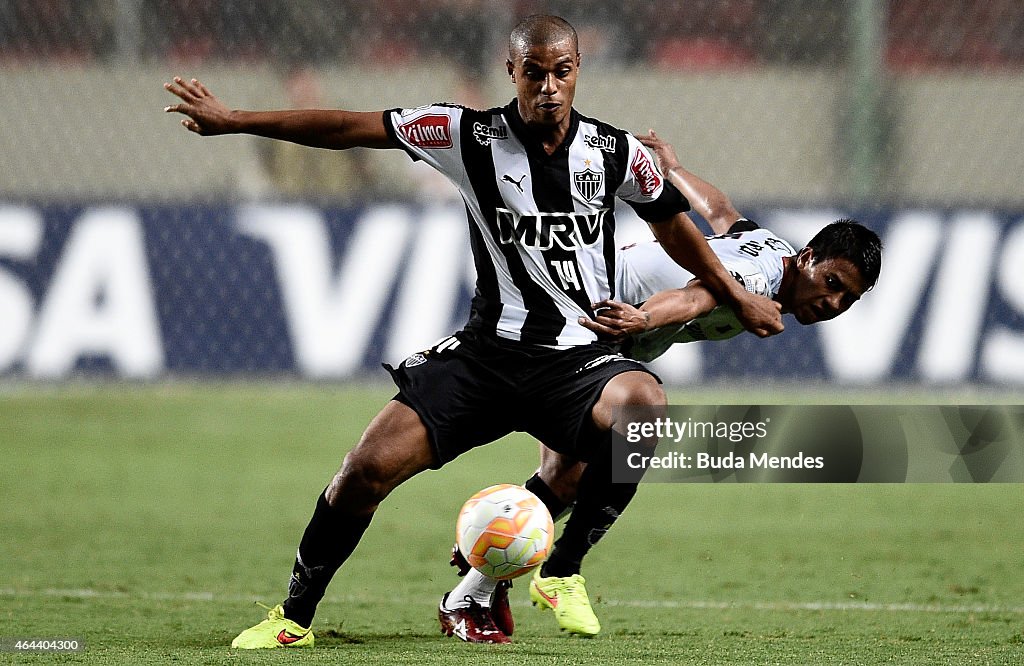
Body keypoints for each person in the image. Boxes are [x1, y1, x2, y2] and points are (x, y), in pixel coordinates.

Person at [164, 15, 784, 649]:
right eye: (534, 72)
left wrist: (737, 294)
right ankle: (293, 618)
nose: (549, 86)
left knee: (644, 408)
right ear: (510, 70)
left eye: (562, 72)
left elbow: (675, 227)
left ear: (578, 72)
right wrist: (237, 119)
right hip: (485, 357)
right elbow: (351, 127)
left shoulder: (615, 151)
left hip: (575, 362)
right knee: (363, 472)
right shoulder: (466, 133)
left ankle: (563, 570)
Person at [443, 129, 882, 641]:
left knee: (567, 473)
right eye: (832, 283)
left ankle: (481, 575)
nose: (832, 303)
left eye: (846, 299)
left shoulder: (773, 251)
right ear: (808, 258)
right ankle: (552, 569)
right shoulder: (759, 276)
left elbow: (719, 210)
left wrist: (673, 169)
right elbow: (696, 296)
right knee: (596, 456)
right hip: (599, 318)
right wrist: (643, 319)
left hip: (613, 326)